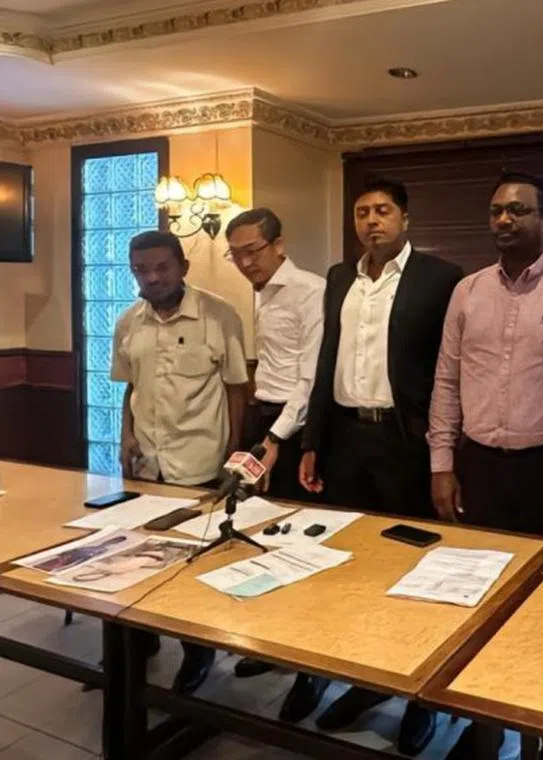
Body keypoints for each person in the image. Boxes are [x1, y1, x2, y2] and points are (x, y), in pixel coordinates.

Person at [428, 171, 543, 760]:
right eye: (495, 212)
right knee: (481, 606)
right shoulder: (468, 291)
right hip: (480, 467)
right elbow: (447, 379)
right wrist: (442, 461)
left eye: (518, 211)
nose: (504, 221)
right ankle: (485, 730)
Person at [299, 177, 462, 753]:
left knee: (410, 570)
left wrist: (445, 452)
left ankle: (421, 696)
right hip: (345, 438)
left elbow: (454, 363)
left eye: (384, 211)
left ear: (405, 219)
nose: (372, 221)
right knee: (345, 567)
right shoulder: (340, 277)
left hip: (404, 443)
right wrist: (312, 440)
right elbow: (326, 359)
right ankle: (354, 676)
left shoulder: (440, 278)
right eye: (363, 212)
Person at [112, 230, 248, 694]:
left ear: (182, 267)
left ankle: (198, 651)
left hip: (200, 461)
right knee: (137, 557)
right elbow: (131, 386)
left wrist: (235, 454)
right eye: (141, 269)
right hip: (148, 464)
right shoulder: (129, 321)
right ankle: (139, 643)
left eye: (161, 267)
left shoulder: (219, 316)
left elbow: (235, 388)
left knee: (192, 568)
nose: (152, 277)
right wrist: (125, 436)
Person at [222, 208, 330, 723]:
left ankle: (312, 669)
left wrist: (276, 437)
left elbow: (309, 378)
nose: (245, 262)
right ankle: (272, 646)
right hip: (266, 418)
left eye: (253, 251)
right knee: (263, 537)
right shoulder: (261, 292)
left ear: (278, 245)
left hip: (293, 427)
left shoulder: (310, 290)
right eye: (237, 254)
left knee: (301, 544)